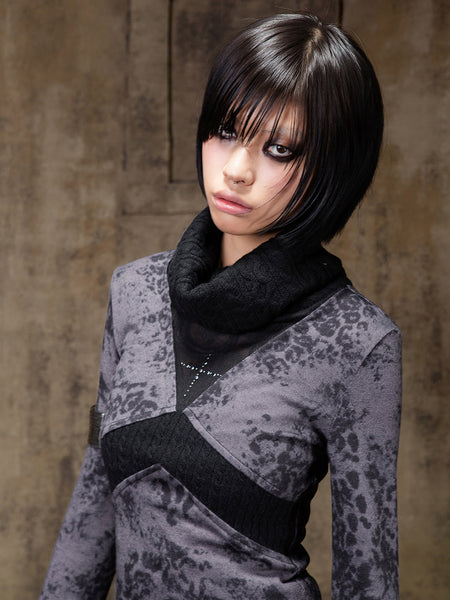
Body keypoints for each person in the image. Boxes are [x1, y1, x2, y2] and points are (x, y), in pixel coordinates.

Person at [40, 12, 402, 600]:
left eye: (279, 149)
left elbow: (369, 579)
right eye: (227, 131)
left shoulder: (358, 342)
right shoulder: (136, 291)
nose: (236, 170)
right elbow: (94, 504)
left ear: (334, 167)